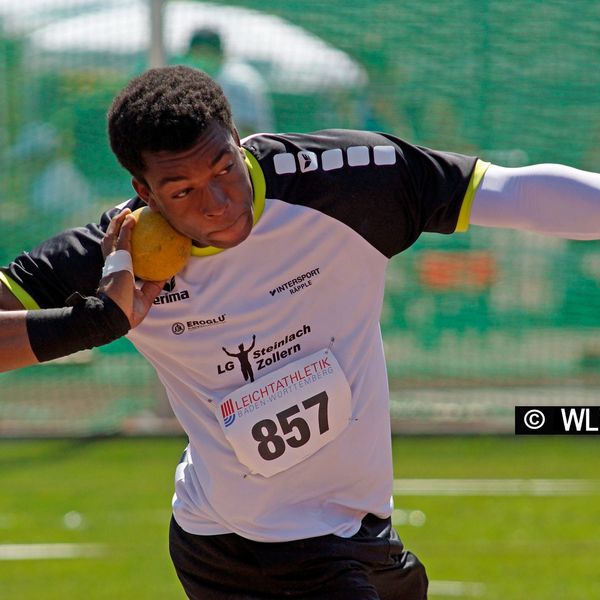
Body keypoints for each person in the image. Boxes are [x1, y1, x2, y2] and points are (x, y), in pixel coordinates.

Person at [2, 65, 600, 599]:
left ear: (239, 143)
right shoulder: (114, 256)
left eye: (224, 168)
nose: (217, 202)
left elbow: (513, 191)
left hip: (360, 532)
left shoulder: (343, 182)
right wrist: (99, 320)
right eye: (183, 191)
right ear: (144, 193)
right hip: (242, 547)